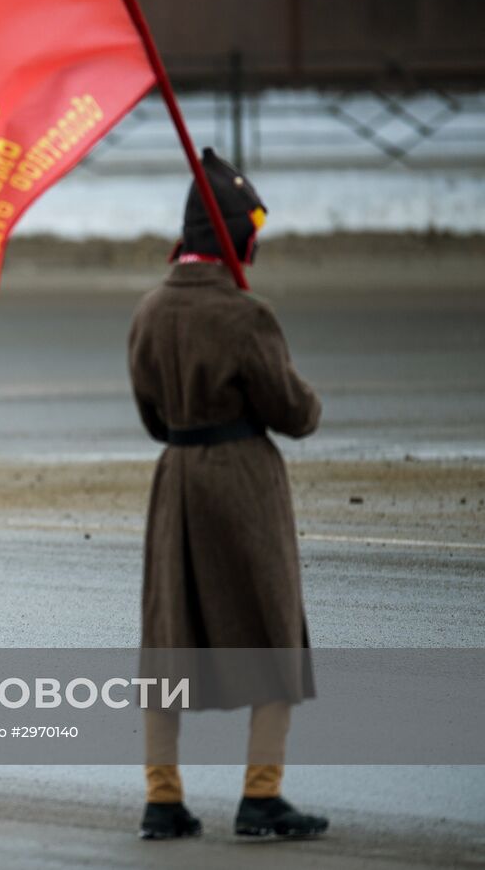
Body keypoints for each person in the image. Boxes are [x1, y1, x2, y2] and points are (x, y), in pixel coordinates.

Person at [127, 149, 330, 841]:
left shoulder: (150, 310)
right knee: (272, 636)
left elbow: (151, 416)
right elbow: (295, 413)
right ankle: (261, 796)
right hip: (243, 480)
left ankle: (163, 798)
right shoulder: (249, 315)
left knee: (170, 642)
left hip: (177, 480)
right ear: (235, 238)